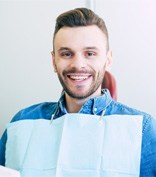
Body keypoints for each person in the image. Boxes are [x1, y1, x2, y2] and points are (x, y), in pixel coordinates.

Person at [0, 7, 156, 177]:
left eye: (90, 53)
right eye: (67, 54)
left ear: (108, 60)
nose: (78, 64)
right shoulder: (21, 122)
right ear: (54, 61)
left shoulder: (141, 128)